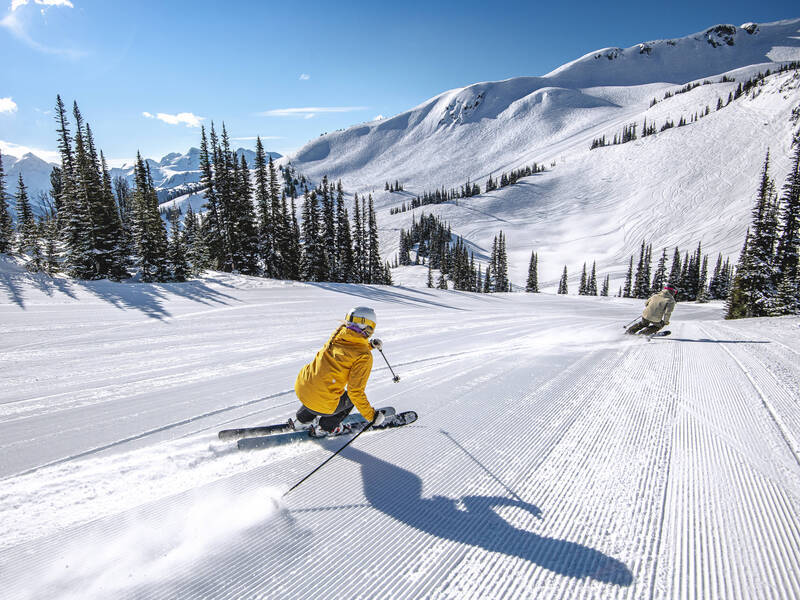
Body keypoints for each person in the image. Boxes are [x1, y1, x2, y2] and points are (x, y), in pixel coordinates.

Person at [291, 306, 386, 436]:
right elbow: (355, 392)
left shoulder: (337, 334)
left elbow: (347, 351)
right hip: (323, 403)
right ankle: (325, 428)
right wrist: (371, 416)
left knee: (321, 385)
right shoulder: (364, 357)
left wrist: (369, 346)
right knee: (350, 398)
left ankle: (301, 420)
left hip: (303, 388)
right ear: (369, 327)